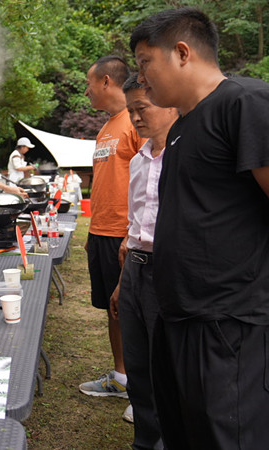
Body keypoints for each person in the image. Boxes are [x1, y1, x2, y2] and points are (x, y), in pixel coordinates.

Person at [130, 8, 269, 448]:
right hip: (178, 315)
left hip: (228, 322)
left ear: (183, 52)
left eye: (145, 63)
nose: (143, 78)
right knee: (184, 433)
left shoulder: (244, 103)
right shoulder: (181, 126)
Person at [109, 73, 177, 447]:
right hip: (135, 265)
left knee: (165, 365)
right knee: (138, 365)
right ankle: (146, 440)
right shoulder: (138, 161)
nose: (135, 118)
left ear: (168, 103)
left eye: (143, 108)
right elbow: (134, 226)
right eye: (131, 110)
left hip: (168, 269)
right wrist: (123, 281)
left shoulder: (186, 156)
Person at [78, 56, 145, 403]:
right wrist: (93, 232)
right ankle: (121, 376)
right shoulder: (106, 128)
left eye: (90, 83)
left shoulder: (138, 122)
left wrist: (131, 235)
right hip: (102, 232)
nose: (86, 91)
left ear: (106, 81)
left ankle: (144, 392)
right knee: (113, 307)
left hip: (127, 235)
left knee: (135, 311)